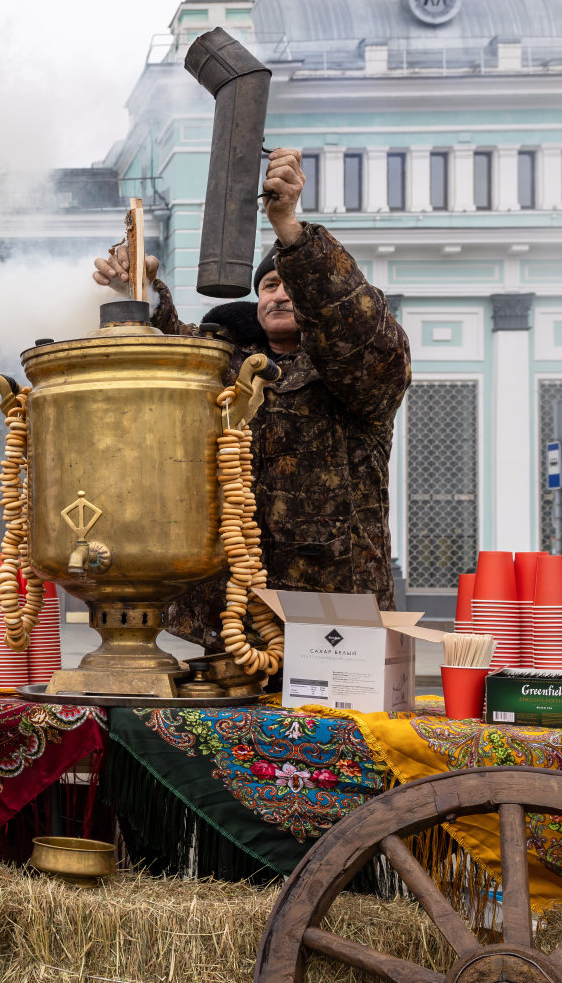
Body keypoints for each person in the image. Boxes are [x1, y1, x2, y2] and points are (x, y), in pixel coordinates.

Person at [93, 148, 411, 649]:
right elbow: (174, 358)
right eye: (268, 285)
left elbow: (360, 333)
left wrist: (288, 228)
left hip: (335, 610)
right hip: (229, 613)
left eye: (290, 285)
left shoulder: (356, 371)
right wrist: (140, 290)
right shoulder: (225, 363)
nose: (278, 295)